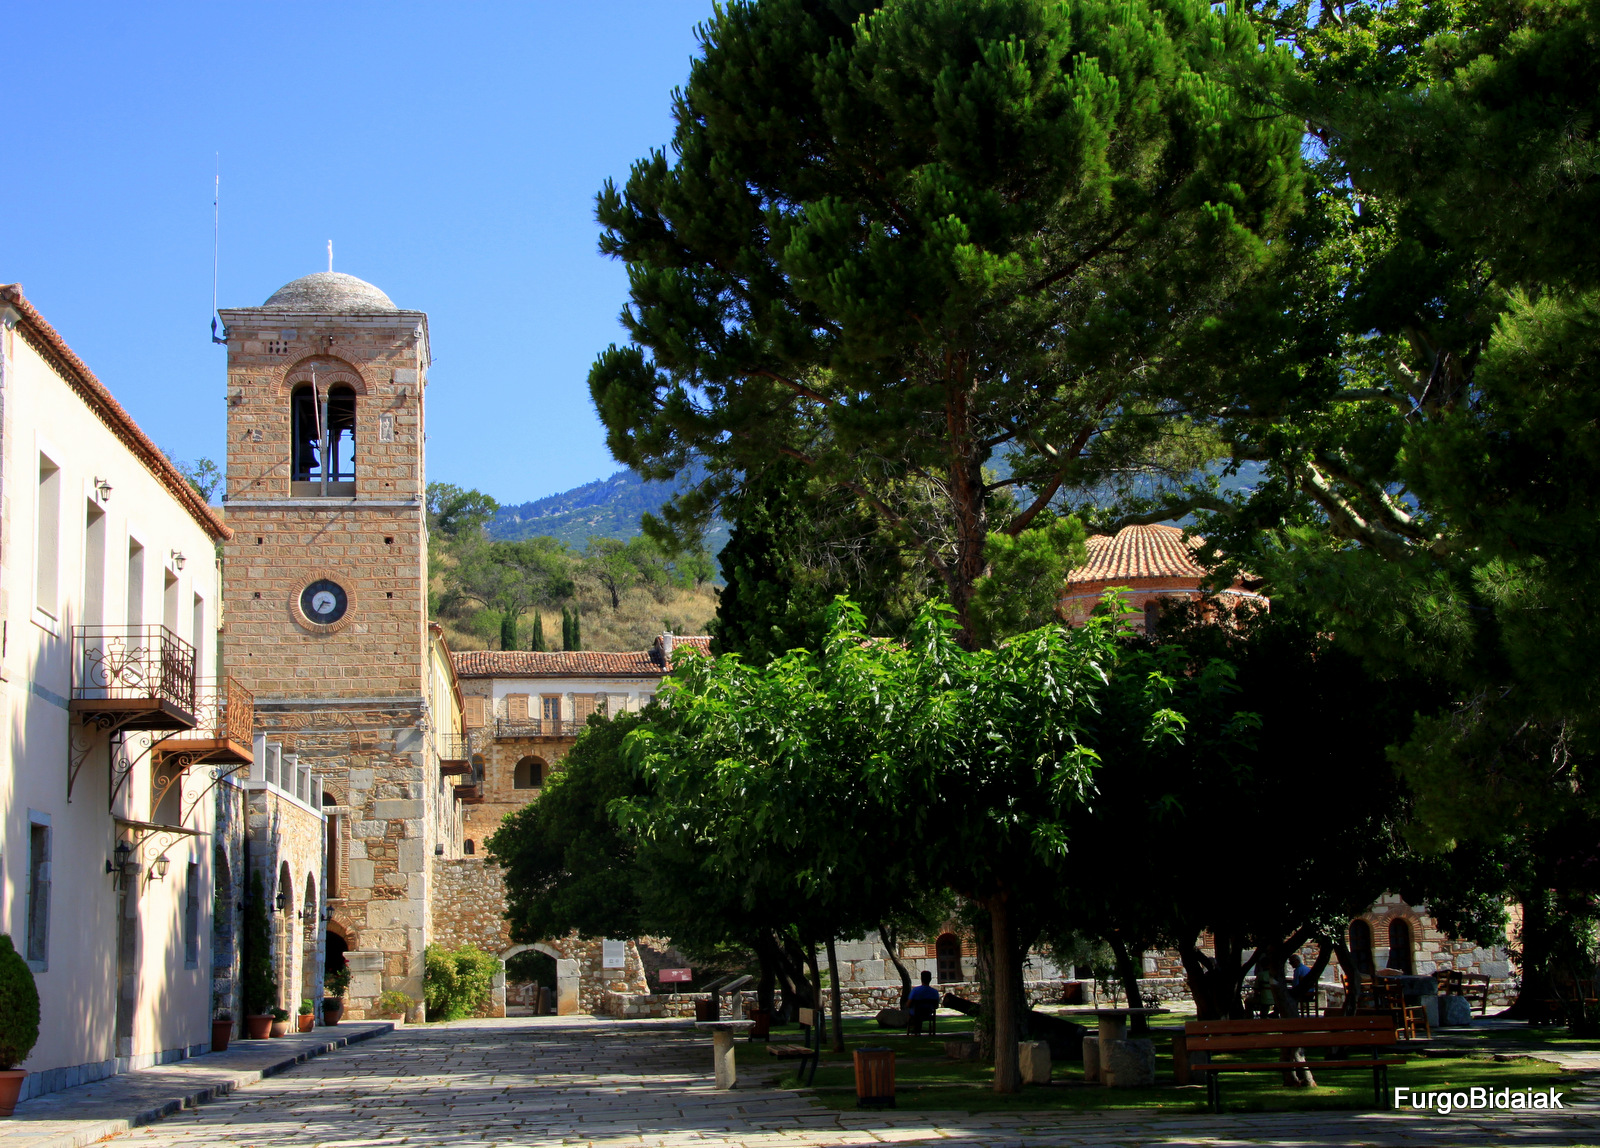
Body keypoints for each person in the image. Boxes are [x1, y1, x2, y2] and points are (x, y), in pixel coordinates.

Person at [907, 970, 940, 1036]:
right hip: (928, 1013)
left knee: (911, 1011)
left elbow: (908, 1004)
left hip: (916, 1013)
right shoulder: (934, 992)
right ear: (930, 979)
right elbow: (936, 1006)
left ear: (921, 979)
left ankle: (915, 1029)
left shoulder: (915, 991)